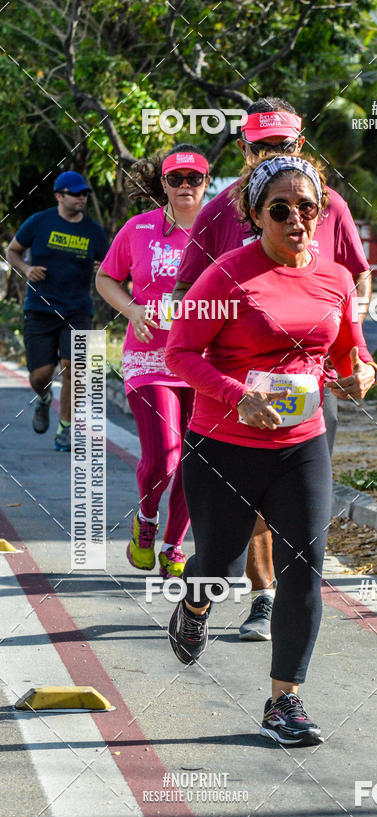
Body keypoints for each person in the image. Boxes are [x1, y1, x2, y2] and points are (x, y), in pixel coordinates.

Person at [165, 154, 377, 745]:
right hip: (224, 444)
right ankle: (195, 606)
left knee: (305, 568)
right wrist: (237, 396)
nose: (296, 219)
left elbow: (347, 354)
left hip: (301, 446)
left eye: (307, 208)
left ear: (320, 212)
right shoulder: (226, 275)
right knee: (220, 564)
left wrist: (361, 373)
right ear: (256, 215)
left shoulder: (334, 278)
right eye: (280, 209)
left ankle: (285, 700)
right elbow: (178, 354)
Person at [96, 145, 210, 577]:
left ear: (206, 182)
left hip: (204, 361)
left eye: (193, 179)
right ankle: (146, 522)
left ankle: (174, 546)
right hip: (149, 359)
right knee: (165, 456)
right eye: (175, 179)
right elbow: (107, 277)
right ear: (162, 183)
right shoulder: (139, 228)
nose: (184, 187)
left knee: (194, 459)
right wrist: (132, 310)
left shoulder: (220, 232)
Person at [7, 171, 109, 451]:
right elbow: (12, 251)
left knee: (72, 368)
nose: (82, 198)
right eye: (75, 193)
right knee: (41, 375)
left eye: (84, 193)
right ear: (59, 196)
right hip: (40, 309)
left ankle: (65, 427)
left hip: (77, 310)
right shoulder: (39, 222)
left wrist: (104, 270)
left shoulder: (93, 232)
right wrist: (26, 269)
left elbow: (110, 265)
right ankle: (42, 399)